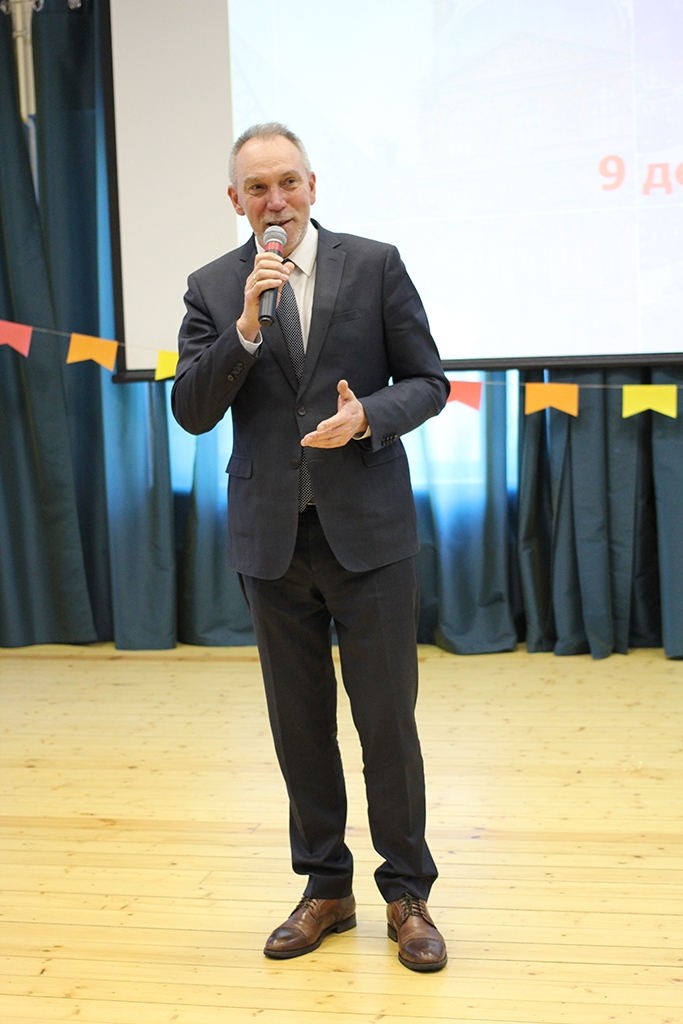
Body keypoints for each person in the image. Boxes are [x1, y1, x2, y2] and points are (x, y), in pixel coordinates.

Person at [171, 123, 450, 972]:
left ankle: (406, 894)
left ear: (312, 186)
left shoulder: (375, 264)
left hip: (369, 534)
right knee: (299, 728)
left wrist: (368, 415)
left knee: (385, 724)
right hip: (270, 541)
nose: (275, 200)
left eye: (287, 182)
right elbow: (191, 409)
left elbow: (428, 382)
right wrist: (243, 331)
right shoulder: (214, 286)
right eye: (257, 188)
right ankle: (325, 887)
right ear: (236, 201)